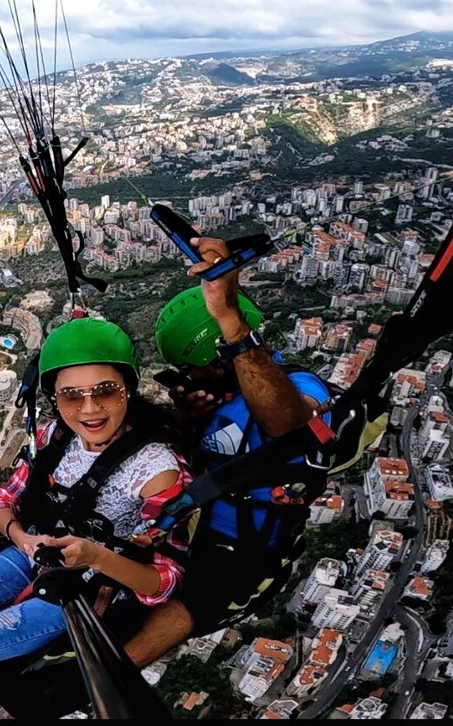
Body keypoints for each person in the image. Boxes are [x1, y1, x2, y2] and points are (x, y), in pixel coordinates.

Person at [0, 316, 194, 719]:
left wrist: (94, 556)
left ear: (128, 388)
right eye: (71, 396)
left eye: (105, 391)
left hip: (85, 586)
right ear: (55, 398)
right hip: (31, 553)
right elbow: (3, 501)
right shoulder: (54, 437)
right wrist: (23, 539)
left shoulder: (157, 470)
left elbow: (164, 580)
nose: (89, 409)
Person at [121, 234, 332, 669]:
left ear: (218, 358)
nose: (187, 378)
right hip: (187, 530)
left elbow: (290, 426)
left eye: (189, 368)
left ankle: (101, 677)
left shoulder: (298, 385)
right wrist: (187, 422)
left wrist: (229, 321)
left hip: (241, 546)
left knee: (190, 606)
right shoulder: (210, 404)